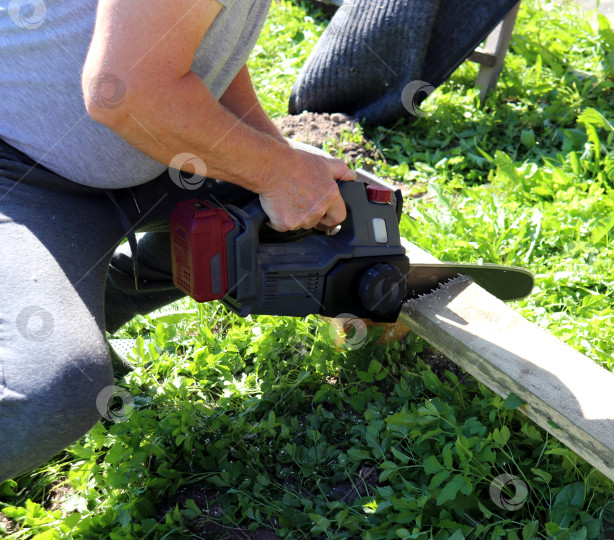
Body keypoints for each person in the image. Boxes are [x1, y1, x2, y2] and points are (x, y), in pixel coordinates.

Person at [0, 0, 355, 483]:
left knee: (267, 219)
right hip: (20, 172)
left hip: (143, 158)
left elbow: (208, 54)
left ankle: (87, 300)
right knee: (50, 392)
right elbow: (123, 94)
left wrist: (282, 161)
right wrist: (279, 172)